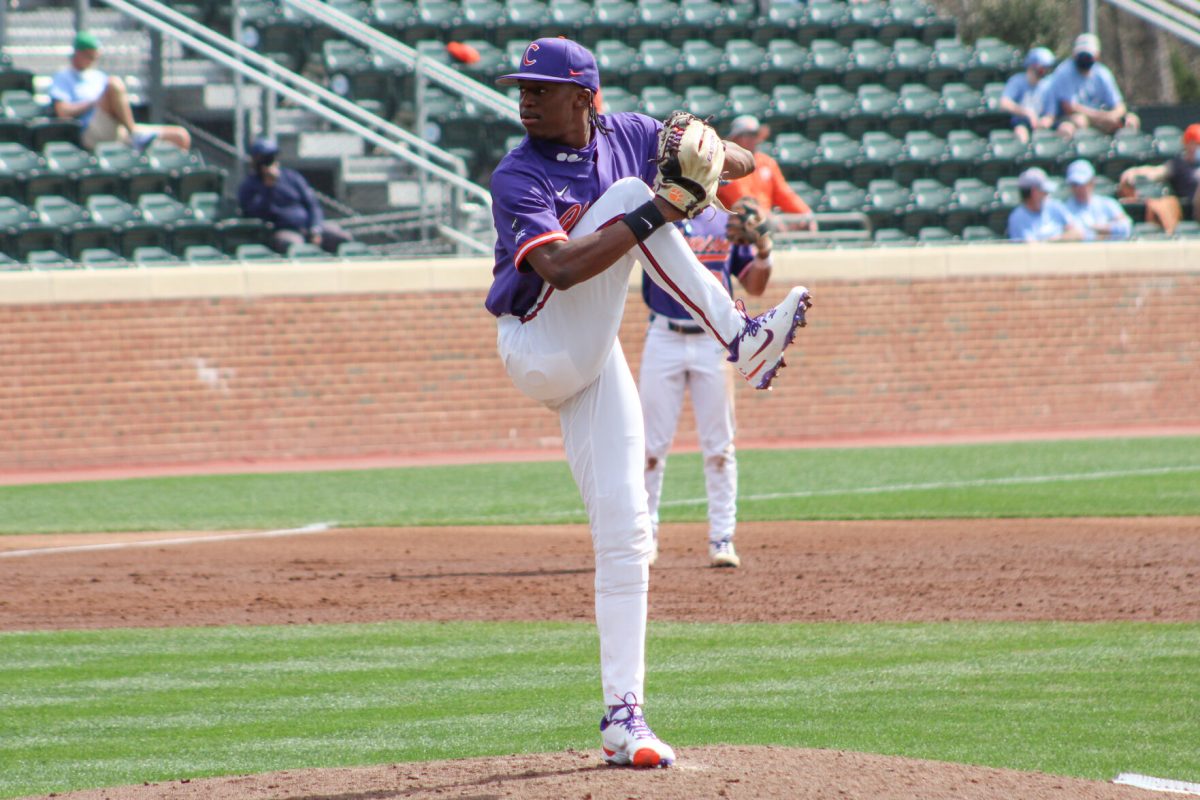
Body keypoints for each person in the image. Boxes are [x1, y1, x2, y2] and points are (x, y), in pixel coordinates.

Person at [486, 37, 812, 769]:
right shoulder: (518, 172)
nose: (525, 98)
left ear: (584, 97)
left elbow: (743, 164)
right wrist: (665, 204)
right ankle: (742, 336)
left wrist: (708, 151)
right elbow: (561, 269)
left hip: (596, 361)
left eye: (541, 87)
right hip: (539, 342)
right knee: (638, 198)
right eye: (523, 86)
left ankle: (622, 717)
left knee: (629, 532)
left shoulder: (627, 132)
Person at [639, 200, 773, 570]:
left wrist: (763, 249)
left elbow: (755, 284)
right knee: (650, 447)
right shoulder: (654, 212)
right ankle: (645, 537)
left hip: (712, 339)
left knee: (719, 447)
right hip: (664, 333)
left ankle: (722, 537)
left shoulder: (724, 221)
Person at [49, 32, 191, 152]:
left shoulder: (98, 76)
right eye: (90, 57)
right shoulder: (64, 76)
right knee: (114, 85)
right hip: (90, 131)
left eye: (95, 58)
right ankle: (134, 133)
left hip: (119, 129)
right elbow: (62, 112)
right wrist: (92, 103)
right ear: (79, 54)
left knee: (180, 136)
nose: (92, 61)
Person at [237, 137, 353, 255]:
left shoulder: (292, 177)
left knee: (342, 237)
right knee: (295, 246)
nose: (269, 162)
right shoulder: (249, 185)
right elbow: (254, 213)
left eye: (271, 158)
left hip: (308, 226)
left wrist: (315, 229)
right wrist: (269, 188)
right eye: (264, 159)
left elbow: (312, 205)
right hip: (282, 230)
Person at [715, 115, 818, 231]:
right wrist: (768, 218)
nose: (752, 139)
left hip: (763, 223)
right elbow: (742, 200)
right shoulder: (727, 163)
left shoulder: (767, 162)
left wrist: (804, 213)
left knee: (803, 224)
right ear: (735, 138)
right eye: (746, 135)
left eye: (754, 135)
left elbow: (783, 193)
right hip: (735, 227)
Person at [1048, 33, 1140, 138]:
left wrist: (1112, 116)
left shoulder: (1102, 73)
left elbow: (1119, 105)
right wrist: (1099, 116)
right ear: (1074, 54)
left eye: (1088, 55)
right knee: (1079, 121)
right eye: (1081, 54)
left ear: (1097, 55)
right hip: (1074, 118)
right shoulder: (1064, 71)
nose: (1084, 59)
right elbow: (1069, 107)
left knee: (1131, 120)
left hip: (1101, 118)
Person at [1119, 123, 1200, 223]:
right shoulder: (1178, 165)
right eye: (1197, 144)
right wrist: (1135, 172)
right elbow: (1156, 172)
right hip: (1192, 211)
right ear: (1188, 144)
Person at [1006, 167, 1085, 242]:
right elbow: (1030, 248)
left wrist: (1057, 239)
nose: (1047, 195)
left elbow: (1078, 233)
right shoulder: (1017, 217)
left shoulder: (1055, 206)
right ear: (1034, 192)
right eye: (1044, 192)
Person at [998, 47, 1057, 144]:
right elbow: (1004, 103)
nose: (1044, 73)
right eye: (1041, 70)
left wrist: (1044, 122)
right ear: (1031, 67)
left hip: (1041, 126)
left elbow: (1050, 115)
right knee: (1021, 133)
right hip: (1021, 122)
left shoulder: (1048, 86)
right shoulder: (1017, 81)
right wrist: (1027, 113)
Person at [1063, 159, 1132, 241]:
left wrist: (1098, 228)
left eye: (1081, 184)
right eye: (1074, 185)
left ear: (1092, 182)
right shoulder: (1065, 208)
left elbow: (1126, 227)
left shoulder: (1108, 203)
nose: (1078, 189)